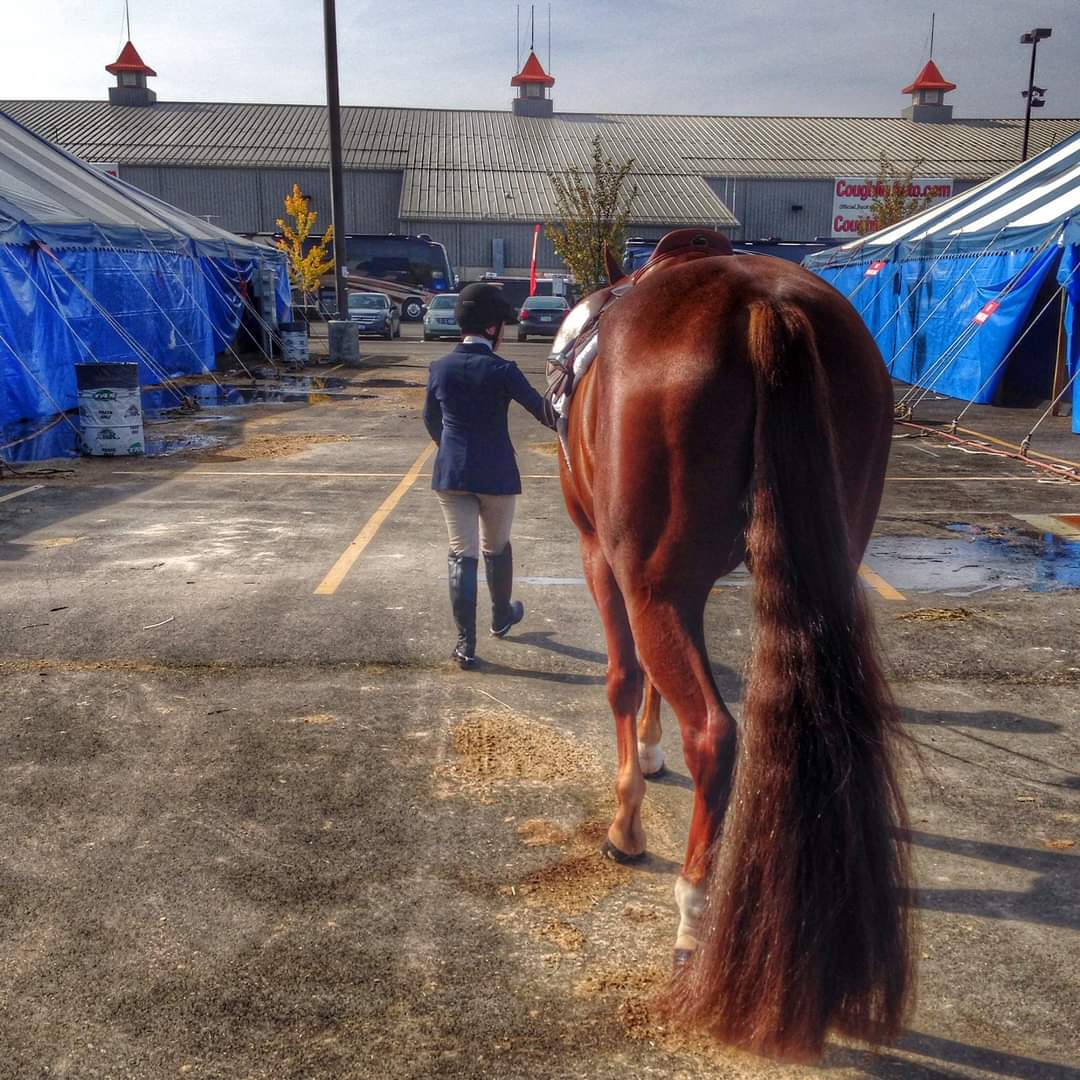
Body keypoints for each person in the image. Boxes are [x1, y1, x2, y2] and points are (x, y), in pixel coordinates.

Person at [423, 283, 556, 669]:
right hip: (496, 473)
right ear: (493, 329)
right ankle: (501, 615)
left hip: (452, 474)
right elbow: (543, 413)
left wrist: (449, 450)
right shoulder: (503, 370)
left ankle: (465, 644)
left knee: (460, 554)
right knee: (495, 548)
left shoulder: (440, 367)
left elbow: (431, 419)